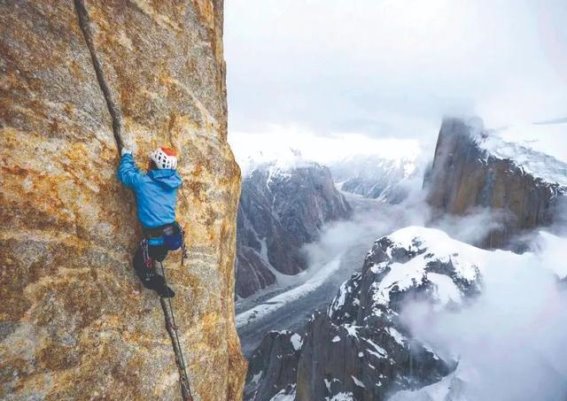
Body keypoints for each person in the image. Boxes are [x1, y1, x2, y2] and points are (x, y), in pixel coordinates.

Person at [117, 146, 183, 298]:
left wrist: (127, 156)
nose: (148, 163)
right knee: (156, 255)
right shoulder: (174, 182)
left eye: (151, 161)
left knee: (139, 264)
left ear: (154, 164)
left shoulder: (143, 182)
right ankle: (154, 269)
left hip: (154, 241)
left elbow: (125, 174)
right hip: (170, 236)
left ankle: (157, 284)